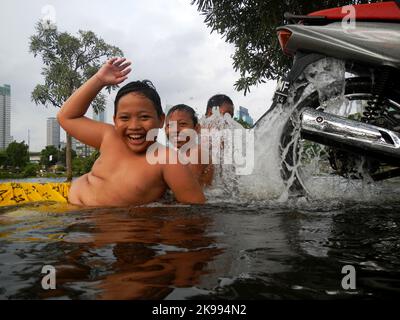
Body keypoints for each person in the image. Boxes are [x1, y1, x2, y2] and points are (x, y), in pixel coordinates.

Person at [57, 57, 205, 206]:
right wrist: (99, 80)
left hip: (111, 223)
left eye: (144, 117)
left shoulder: (168, 160)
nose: (134, 126)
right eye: (125, 117)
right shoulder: (109, 136)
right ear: (115, 120)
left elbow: (196, 210)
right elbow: (67, 117)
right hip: (70, 210)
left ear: (161, 120)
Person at [165, 104, 213, 186]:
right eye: (170, 126)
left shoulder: (197, 152)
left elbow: (187, 187)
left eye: (182, 124)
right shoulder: (180, 154)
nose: (175, 130)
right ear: (166, 129)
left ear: (197, 128)